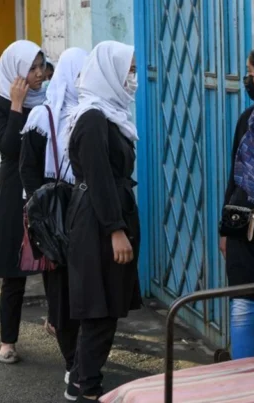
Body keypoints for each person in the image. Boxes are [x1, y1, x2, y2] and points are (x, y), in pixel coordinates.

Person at [65, 41, 140, 401]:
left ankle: (80, 381)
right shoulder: (93, 119)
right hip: (97, 223)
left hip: (103, 217)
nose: (132, 78)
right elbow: (98, 178)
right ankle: (87, 388)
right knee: (99, 309)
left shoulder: (109, 116)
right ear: (109, 72)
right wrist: (115, 230)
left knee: (105, 306)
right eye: (128, 70)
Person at [19, 47, 88, 400]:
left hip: (85, 215)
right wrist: (42, 214)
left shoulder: (92, 114)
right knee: (60, 292)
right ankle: (72, 361)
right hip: (54, 220)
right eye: (79, 75)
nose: (83, 81)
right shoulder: (41, 117)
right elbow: (28, 169)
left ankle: (85, 361)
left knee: (86, 288)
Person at [0, 40, 47, 364]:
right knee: (14, 272)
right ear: (16, 72)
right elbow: (9, 147)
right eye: (32, 68)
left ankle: (58, 322)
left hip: (44, 187)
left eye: (41, 66)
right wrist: (16, 105)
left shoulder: (47, 101)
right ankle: (7, 340)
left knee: (54, 262)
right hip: (14, 191)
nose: (39, 74)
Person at [218, 45, 254, 360]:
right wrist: (225, 230)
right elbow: (234, 177)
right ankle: (243, 371)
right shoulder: (248, 120)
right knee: (243, 302)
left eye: (252, 73)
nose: (249, 81)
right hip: (243, 226)